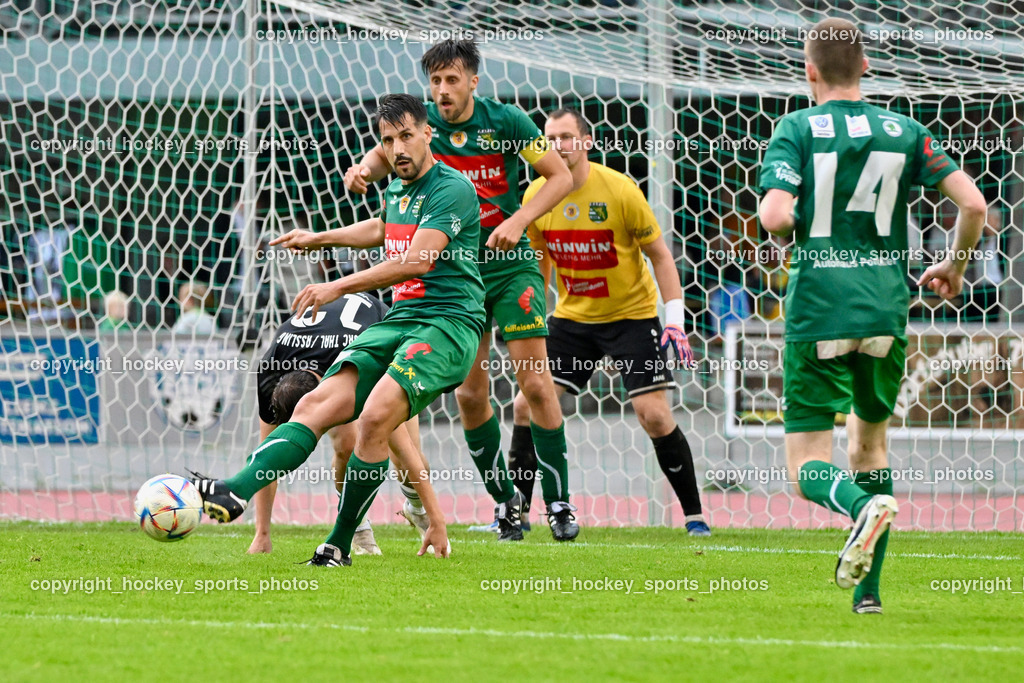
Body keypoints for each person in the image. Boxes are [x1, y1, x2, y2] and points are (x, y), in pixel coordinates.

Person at [191, 93, 485, 567]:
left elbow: (417, 259)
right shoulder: (397, 188)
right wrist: (318, 237)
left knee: (374, 418)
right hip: (401, 321)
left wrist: (335, 286)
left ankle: (341, 541)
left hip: (449, 322)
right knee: (314, 403)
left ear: (428, 133)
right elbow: (384, 230)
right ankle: (235, 491)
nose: (397, 148)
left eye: (406, 136)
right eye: (387, 140)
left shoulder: (452, 188)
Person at [757, 18, 987, 613]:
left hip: (820, 308)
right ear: (865, 66)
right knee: (870, 449)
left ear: (809, 71)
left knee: (808, 461)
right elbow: (974, 204)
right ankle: (869, 595)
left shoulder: (796, 128)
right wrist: (955, 268)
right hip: (886, 307)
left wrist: (798, 212)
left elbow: (775, 217)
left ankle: (859, 508)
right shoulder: (905, 130)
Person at [344, 39, 578, 541]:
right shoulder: (421, 127)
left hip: (512, 268)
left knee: (535, 384)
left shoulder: (508, 121)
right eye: (435, 81)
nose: (443, 91)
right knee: (472, 396)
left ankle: (559, 503)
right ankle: (507, 504)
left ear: (473, 81)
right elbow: (382, 156)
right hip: (458, 278)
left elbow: (559, 178)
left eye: (452, 80)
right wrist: (361, 171)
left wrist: (519, 219)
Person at [511, 108, 711, 537]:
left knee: (653, 414)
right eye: (550, 138)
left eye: (566, 136)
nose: (557, 145)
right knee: (526, 404)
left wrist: (673, 319)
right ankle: (514, 516)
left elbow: (660, 255)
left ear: (587, 141)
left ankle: (695, 517)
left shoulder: (619, 190)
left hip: (632, 317)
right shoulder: (536, 196)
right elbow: (539, 266)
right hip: (572, 319)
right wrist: (530, 321)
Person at [249, 292, 432, 556]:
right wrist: (262, 534)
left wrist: (434, 516)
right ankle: (357, 528)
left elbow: (403, 447)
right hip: (331, 341)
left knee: (406, 458)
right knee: (346, 445)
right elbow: (265, 458)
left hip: (383, 337)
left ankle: (417, 510)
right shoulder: (270, 371)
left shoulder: (361, 361)